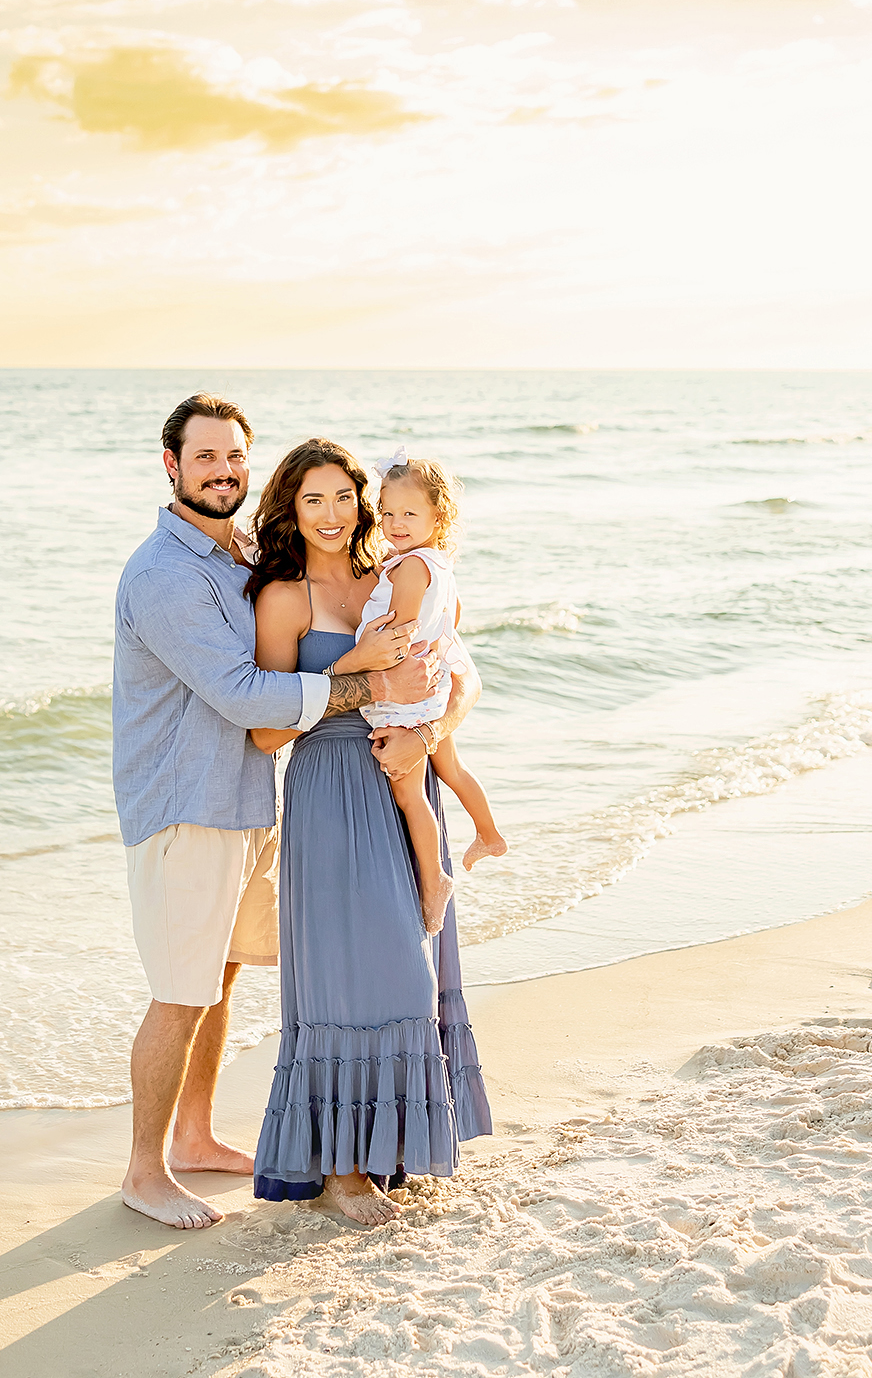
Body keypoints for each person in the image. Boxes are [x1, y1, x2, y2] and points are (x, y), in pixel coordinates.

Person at [111, 394, 438, 1231]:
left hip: (250, 801)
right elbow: (245, 695)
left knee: (218, 974)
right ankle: (144, 1171)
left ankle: (194, 1134)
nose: (222, 471)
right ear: (172, 465)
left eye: (233, 458)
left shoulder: (236, 553)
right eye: (205, 457)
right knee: (180, 988)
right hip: (189, 807)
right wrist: (367, 678)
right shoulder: (165, 576)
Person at [243, 437, 493, 1227]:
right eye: (311, 499)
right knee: (360, 975)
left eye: (342, 497)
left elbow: (464, 675)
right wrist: (366, 677)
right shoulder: (283, 597)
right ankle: (344, 1170)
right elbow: (265, 733)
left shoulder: (396, 572)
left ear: (363, 500)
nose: (330, 514)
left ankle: (389, 1150)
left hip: (402, 768)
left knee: (413, 971)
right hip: (331, 788)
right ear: (291, 505)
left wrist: (428, 733)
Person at [361, 450, 509, 935]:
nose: (394, 523)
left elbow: (397, 632)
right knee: (453, 770)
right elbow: (452, 622)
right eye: (385, 513)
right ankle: (488, 835)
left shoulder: (407, 569)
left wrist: (365, 653)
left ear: (436, 516)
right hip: (433, 689)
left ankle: (434, 878)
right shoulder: (437, 565)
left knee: (409, 793)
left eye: (408, 514)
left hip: (404, 694)